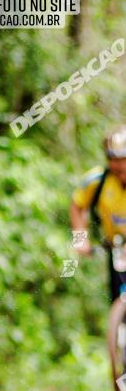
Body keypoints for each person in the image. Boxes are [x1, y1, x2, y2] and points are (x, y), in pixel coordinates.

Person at [71, 124, 126, 300]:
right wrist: (80, 239)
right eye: (114, 160)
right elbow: (77, 205)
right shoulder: (97, 181)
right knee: (118, 298)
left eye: (124, 159)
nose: (119, 166)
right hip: (115, 249)